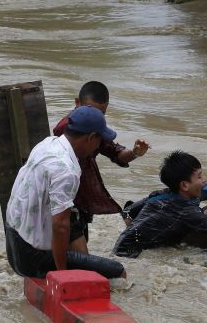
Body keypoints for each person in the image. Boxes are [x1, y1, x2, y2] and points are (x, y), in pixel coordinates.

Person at [4, 106, 126, 280]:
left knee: (79, 246)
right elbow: (60, 225)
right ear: (91, 138)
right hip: (32, 258)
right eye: (99, 140)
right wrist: (63, 276)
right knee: (117, 272)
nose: (98, 146)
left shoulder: (48, 143)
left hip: (14, 241)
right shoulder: (65, 170)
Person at [52, 81, 150, 253]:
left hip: (82, 200)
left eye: (101, 113)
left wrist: (134, 153)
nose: (96, 116)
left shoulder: (95, 127)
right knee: (76, 254)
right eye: (91, 110)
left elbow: (115, 152)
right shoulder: (66, 129)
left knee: (76, 251)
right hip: (67, 200)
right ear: (77, 103)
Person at [113, 151, 207, 258]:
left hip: (122, 244)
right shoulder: (185, 210)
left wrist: (139, 228)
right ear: (184, 185)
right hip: (129, 253)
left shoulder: (158, 194)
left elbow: (127, 212)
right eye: (199, 176)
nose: (204, 179)